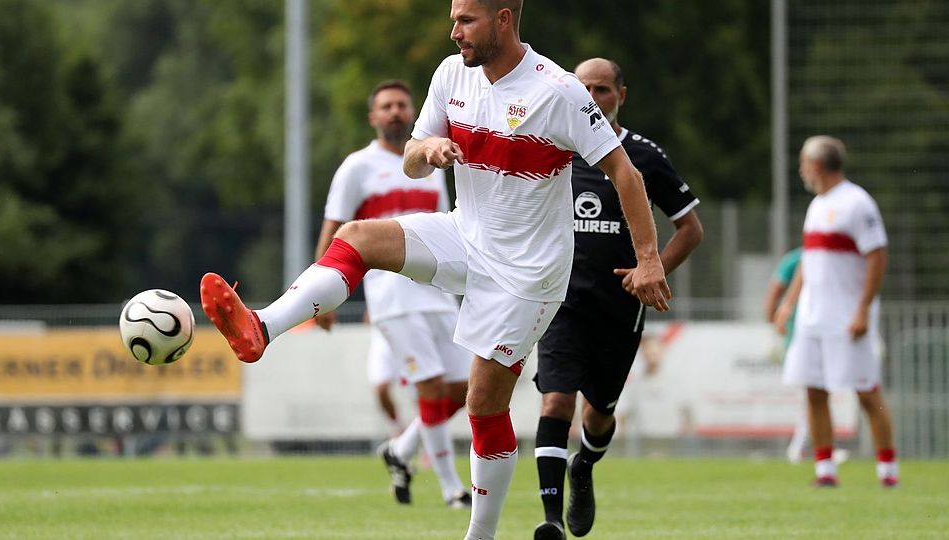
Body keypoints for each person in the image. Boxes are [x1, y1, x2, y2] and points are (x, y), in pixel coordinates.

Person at [199, 2, 670, 538]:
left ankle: (479, 535)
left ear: (503, 20)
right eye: (453, 18)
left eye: (466, 20)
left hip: (528, 274)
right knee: (355, 237)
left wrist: (649, 258)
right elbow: (411, 158)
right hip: (466, 234)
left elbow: (625, 174)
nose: (454, 31)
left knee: (482, 404)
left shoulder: (558, 90)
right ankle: (261, 327)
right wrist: (429, 148)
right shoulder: (451, 74)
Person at [531, 58, 702, 540]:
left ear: (621, 95)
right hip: (559, 301)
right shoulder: (551, 147)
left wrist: (653, 268)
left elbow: (690, 229)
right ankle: (550, 520)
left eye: (602, 89)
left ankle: (583, 466)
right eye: (583, 88)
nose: (592, 97)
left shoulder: (643, 155)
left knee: (599, 413)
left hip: (618, 308)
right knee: (555, 402)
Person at [313, 79, 473, 508]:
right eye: (386, 106)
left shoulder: (430, 163)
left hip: (436, 288)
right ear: (373, 117)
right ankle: (451, 489)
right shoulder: (357, 167)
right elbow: (334, 228)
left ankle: (401, 450)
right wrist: (319, 293)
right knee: (431, 385)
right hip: (392, 295)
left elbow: (447, 224)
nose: (395, 112)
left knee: (465, 387)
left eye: (401, 105)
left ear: (412, 112)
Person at [774, 135, 898, 488]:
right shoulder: (817, 205)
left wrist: (863, 310)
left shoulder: (857, 203)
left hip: (847, 317)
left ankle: (888, 472)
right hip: (812, 316)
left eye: (803, 164)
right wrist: (790, 303)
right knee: (814, 390)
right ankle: (825, 470)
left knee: (866, 392)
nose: (801, 170)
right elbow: (809, 260)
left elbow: (877, 256)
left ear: (816, 165)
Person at [765, 248, 810, 463]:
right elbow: (776, 288)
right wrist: (772, 320)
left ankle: (805, 445)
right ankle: (800, 446)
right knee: (811, 391)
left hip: (814, 330)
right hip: (799, 333)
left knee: (813, 392)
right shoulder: (797, 259)